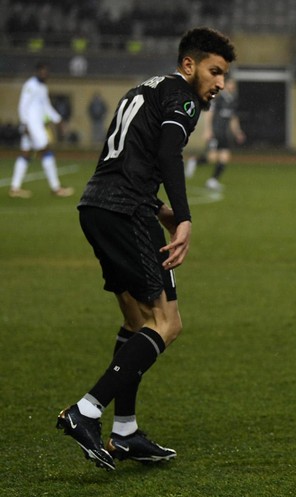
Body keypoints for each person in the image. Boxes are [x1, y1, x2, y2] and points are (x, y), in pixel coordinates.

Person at [55, 27, 237, 471]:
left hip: (97, 206)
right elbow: (169, 154)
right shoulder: (183, 97)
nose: (220, 84)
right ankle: (87, 410)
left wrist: (160, 210)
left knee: (136, 322)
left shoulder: (144, 90)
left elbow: (124, 160)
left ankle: (125, 432)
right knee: (167, 323)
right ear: (189, 65)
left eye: (225, 76)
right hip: (126, 213)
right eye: (215, 72)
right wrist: (184, 215)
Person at [8, 62, 73, 198]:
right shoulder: (30, 85)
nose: (45, 74)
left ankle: (15, 188)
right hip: (32, 126)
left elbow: (46, 107)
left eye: (46, 72)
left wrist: (58, 119)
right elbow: (23, 106)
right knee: (46, 150)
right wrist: (25, 124)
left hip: (35, 126)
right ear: (37, 72)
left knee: (25, 154)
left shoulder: (43, 87)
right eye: (42, 71)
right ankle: (56, 188)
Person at [185, 77, 245, 191]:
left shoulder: (233, 100)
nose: (231, 86)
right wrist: (208, 130)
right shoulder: (218, 99)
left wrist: (238, 132)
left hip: (224, 133)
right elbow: (209, 114)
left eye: (233, 84)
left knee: (225, 157)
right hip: (215, 131)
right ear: (225, 85)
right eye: (230, 84)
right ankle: (194, 161)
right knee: (212, 158)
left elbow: (233, 118)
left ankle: (213, 181)